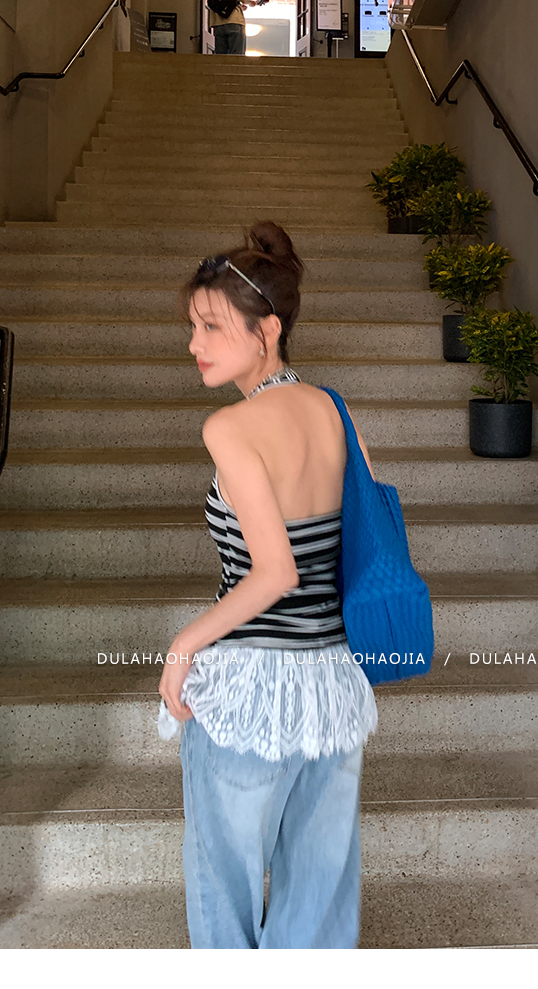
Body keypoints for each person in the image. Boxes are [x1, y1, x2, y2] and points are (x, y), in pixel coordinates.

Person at [158, 220, 379, 949]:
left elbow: (275, 572)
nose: (195, 344)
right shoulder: (334, 412)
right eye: (193, 326)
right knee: (318, 895)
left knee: (222, 886)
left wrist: (185, 645)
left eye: (212, 327)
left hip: (250, 690)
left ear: (268, 330)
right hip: (333, 686)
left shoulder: (231, 428)